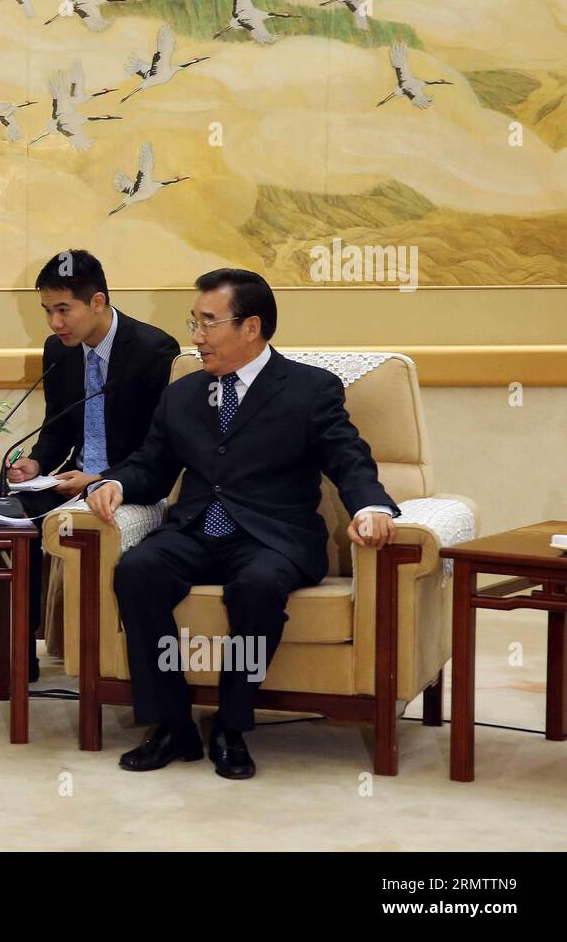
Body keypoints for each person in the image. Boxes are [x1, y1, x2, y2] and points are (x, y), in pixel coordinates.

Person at [86, 268, 399, 779]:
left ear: (250, 327)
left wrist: (371, 506)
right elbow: (152, 465)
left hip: (271, 538)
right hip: (196, 531)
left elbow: (348, 459)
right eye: (195, 322)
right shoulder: (182, 394)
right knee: (137, 571)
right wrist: (117, 484)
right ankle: (171, 724)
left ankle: (232, 725)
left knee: (255, 587)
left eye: (208, 323)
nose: (196, 336)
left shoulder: (309, 389)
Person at [0, 249, 179, 691]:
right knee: (7, 514)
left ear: (97, 302)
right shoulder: (58, 351)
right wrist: (37, 462)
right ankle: (18, 658)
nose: (54, 323)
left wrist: (101, 479)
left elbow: (158, 447)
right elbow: (57, 427)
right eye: (47, 311)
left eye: (63, 310)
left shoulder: (153, 350)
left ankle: (88, 660)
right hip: (71, 480)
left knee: (70, 522)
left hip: (130, 483)